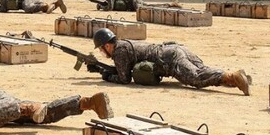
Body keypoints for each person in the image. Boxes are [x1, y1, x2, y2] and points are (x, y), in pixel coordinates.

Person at [91, 29, 252, 95]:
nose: (101, 52)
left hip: (170, 58)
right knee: (203, 70)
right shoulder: (124, 45)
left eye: (101, 49)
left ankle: (233, 76)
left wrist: (106, 76)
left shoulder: (119, 51)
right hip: (175, 49)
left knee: (196, 78)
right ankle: (236, 80)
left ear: (106, 45)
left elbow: (124, 79)